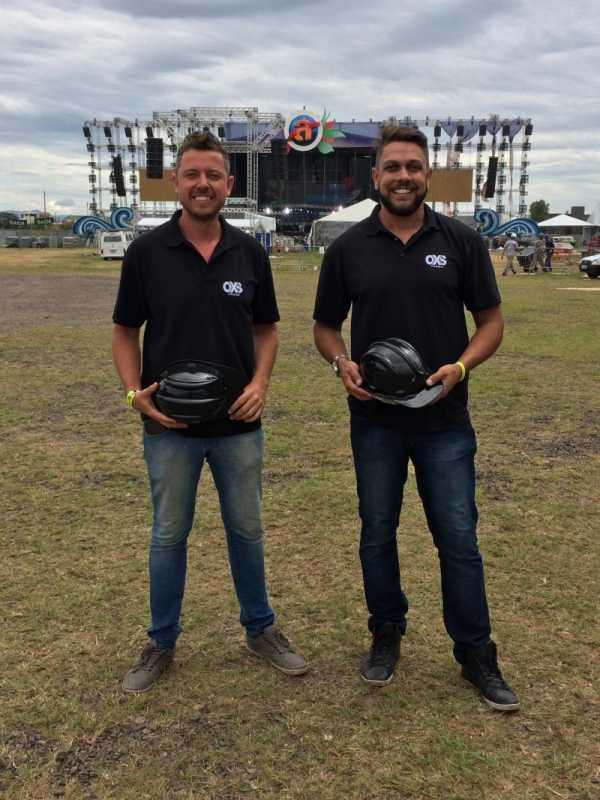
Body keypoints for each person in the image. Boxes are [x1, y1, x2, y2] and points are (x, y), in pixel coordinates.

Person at [313, 124, 519, 711]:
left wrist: (460, 367)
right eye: (392, 167)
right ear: (374, 176)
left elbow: (492, 324)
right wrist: (340, 365)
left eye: (413, 166)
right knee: (377, 534)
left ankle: (476, 651)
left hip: (445, 421)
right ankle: (386, 631)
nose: (403, 176)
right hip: (376, 419)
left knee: (458, 539)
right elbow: (325, 328)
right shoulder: (348, 248)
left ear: (427, 174)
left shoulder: (460, 241)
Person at [111, 131, 308, 692]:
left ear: (228, 183)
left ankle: (260, 629)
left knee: (246, 529)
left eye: (213, 175)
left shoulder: (249, 251)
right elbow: (125, 332)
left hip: (238, 425)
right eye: (192, 175)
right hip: (167, 425)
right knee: (169, 534)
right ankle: (161, 641)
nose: (203, 184)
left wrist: (262, 382)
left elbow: (266, 330)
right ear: (175, 183)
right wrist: (134, 393)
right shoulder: (146, 253)